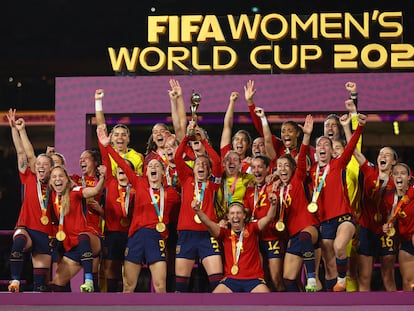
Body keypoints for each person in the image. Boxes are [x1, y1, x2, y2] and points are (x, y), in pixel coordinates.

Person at [98, 125, 181, 293]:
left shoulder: (171, 193)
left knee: (160, 286)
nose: (153, 168)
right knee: (128, 286)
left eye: (157, 167)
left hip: (156, 237)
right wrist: (107, 146)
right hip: (136, 236)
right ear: (145, 171)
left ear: (163, 172)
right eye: (150, 167)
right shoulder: (140, 183)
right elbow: (122, 164)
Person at [310, 113, 366, 291]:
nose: (323, 146)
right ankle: (332, 297)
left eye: (327, 144)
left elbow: (351, 147)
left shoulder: (338, 164)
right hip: (325, 221)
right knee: (328, 265)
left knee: (339, 246)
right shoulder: (311, 171)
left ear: (332, 151)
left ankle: (342, 279)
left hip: (344, 218)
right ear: (316, 151)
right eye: (319, 144)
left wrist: (358, 127)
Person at [7, 109, 54, 293]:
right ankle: (15, 281)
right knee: (18, 242)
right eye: (38, 164)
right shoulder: (29, 177)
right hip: (26, 226)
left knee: (40, 286)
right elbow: (22, 153)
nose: (40, 166)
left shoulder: (56, 184)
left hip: (45, 232)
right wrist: (17, 129)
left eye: (45, 164)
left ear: (51, 169)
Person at [174, 121, 223, 292]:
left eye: (204, 165)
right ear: (192, 169)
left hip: (208, 233)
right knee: (180, 286)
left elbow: (216, 161)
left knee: (217, 283)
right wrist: (187, 136)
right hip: (186, 233)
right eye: (198, 164)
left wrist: (203, 141)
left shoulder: (213, 184)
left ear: (209, 171)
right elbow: (177, 157)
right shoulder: (186, 180)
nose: (201, 165)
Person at [275, 115, 321, 292]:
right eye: (280, 166)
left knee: (305, 238)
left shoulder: (298, 178)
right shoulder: (276, 189)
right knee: (288, 279)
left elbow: (301, 157)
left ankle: (311, 279)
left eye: (287, 165)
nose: (283, 169)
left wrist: (307, 136)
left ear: (293, 168)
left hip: (308, 227)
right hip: (292, 234)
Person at [193, 199, 276, 293]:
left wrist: (273, 205)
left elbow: (269, 218)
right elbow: (208, 223)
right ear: (228, 217)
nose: (235, 216)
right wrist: (198, 211)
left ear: (244, 215)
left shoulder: (252, 228)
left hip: (254, 279)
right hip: (231, 279)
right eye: (232, 213)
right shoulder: (224, 233)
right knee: (214, 301)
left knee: (267, 300)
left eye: (238, 213)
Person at [48, 164, 107, 292]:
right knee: (56, 284)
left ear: (67, 179)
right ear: (51, 181)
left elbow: (95, 191)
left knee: (82, 236)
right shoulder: (53, 196)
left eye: (60, 176)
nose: (57, 179)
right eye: (54, 177)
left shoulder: (75, 192)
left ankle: (88, 280)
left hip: (90, 241)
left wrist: (103, 177)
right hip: (73, 247)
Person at [353, 146, 398, 291]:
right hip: (367, 229)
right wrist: (348, 127)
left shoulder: (399, 179)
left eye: (387, 154)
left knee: (388, 275)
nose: (382, 156)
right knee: (364, 276)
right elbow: (354, 150)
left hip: (387, 231)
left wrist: (391, 222)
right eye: (380, 154)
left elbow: (403, 203)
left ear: (394, 162)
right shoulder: (369, 172)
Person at [98, 136, 136, 292]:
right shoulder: (110, 182)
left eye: (125, 168)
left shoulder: (137, 187)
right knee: (111, 268)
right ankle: (111, 300)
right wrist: (105, 145)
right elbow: (106, 160)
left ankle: (129, 300)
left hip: (132, 234)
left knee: (129, 270)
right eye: (119, 168)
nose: (121, 169)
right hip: (112, 233)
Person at [243, 155, 285, 292]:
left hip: (272, 238)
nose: (256, 170)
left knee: (276, 279)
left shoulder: (275, 185)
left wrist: (277, 174)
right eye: (253, 167)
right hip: (255, 240)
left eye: (260, 167)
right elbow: (247, 212)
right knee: (260, 279)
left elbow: (291, 171)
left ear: (267, 169)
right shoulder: (249, 190)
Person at [94, 89, 144, 176]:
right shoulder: (107, 155)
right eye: (116, 135)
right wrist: (98, 101)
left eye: (124, 135)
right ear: (111, 139)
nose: (120, 137)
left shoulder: (137, 156)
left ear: (128, 139)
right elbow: (101, 128)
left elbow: (125, 167)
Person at [382, 163, 414, 291]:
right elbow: (392, 216)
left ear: (409, 177)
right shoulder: (389, 198)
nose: (399, 176)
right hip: (405, 241)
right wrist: (387, 225)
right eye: (395, 173)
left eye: (402, 173)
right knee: (408, 283)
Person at [215, 150, 255, 221]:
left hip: (238, 219)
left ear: (240, 164)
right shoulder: (218, 178)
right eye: (228, 159)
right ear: (224, 163)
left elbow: (263, 179)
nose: (231, 162)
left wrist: (275, 175)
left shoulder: (246, 178)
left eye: (235, 160)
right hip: (220, 220)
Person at [220, 91, 253, 173]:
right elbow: (227, 126)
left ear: (248, 145)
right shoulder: (226, 156)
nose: (240, 142)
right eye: (237, 139)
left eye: (244, 140)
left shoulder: (252, 163)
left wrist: (252, 166)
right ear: (232, 143)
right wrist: (232, 102)